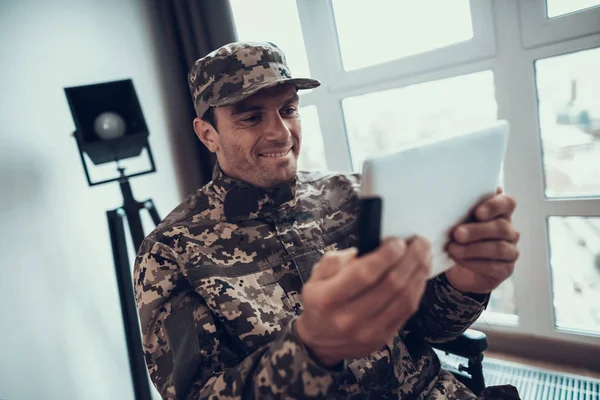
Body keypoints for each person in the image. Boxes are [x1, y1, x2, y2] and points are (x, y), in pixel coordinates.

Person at [134, 41, 521, 399]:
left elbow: (430, 328)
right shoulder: (171, 251)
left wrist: (466, 284)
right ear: (208, 135)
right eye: (251, 117)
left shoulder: (355, 193)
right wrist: (311, 349)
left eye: (288, 109)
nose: (280, 133)